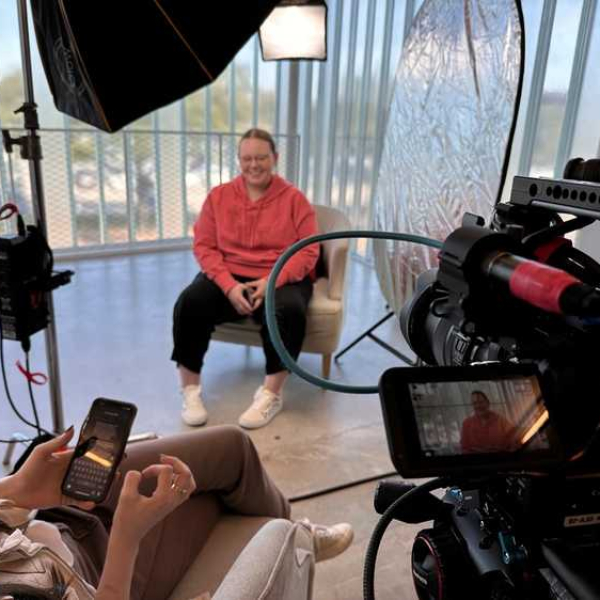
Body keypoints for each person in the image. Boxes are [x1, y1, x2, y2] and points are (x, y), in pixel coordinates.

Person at [0, 427, 353, 599]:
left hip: (46, 521)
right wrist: (126, 539)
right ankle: (298, 539)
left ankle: (294, 533)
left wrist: (15, 489)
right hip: (91, 577)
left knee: (232, 449)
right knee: (205, 498)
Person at [171, 128, 320, 429]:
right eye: (247, 158)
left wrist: (272, 280)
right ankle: (190, 389)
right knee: (189, 302)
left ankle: (271, 394)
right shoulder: (219, 196)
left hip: (279, 274)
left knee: (288, 311)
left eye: (261, 158)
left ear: (274, 158)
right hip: (230, 274)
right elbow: (204, 246)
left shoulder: (294, 199)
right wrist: (228, 286)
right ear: (239, 160)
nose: (254, 165)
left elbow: (308, 250)